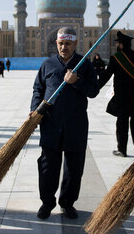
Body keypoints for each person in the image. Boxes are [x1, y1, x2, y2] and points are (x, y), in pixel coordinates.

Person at [32, 27, 99, 220]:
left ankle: (67, 203)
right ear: (56, 43)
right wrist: (35, 108)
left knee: (73, 169)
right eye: (61, 43)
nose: (64, 47)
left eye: (68, 44)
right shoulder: (48, 64)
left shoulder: (84, 65)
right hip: (51, 124)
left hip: (75, 125)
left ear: (75, 44)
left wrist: (76, 81)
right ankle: (47, 202)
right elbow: (38, 88)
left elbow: (93, 91)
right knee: (47, 167)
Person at [98, 31, 134, 157]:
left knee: (122, 122)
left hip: (122, 96)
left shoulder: (116, 58)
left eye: (118, 43)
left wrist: (95, 87)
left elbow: (106, 76)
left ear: (121, 45)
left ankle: (122, 149)